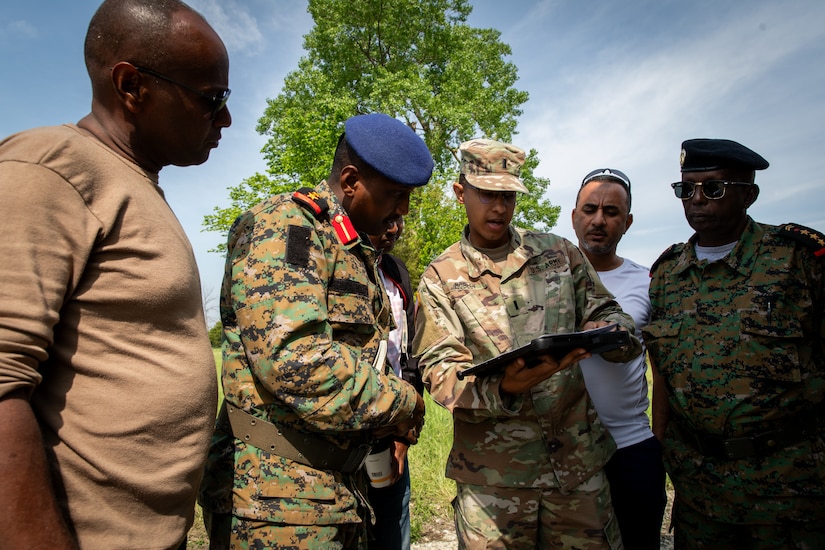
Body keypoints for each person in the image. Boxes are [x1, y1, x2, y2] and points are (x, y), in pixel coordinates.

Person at [0, 0, 230, 547]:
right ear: (131, 86)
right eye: (211, 98)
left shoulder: (132, 183)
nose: (225, 119)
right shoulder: (49, 169)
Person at [199, 113, 431, 549]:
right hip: (274, 504)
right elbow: (295, 360)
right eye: (395, 195)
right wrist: (403, 403)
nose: (402, 210)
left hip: (333, 494)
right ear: (349, 181)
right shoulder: (286, 227)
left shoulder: (348, 245)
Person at [413, 138, 642, 549]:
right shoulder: (439, 278)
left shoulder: (558, 253)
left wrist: (611, 335)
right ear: (461, 192)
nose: (499, 208)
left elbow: (609, 312)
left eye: (508, 196)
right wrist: (504, 387)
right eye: (487, 194)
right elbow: (440, 371)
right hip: (493, 486)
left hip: (577, 472)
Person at [643, 138, 825, 548]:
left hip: (788, 492)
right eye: (685, 189)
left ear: (749, 195)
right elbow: (665, 376)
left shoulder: (797, 260)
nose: (696, 199)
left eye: (713, 188)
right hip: (699, 494)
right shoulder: (668, 275)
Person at [572, 168, 667, 549]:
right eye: (590, 209)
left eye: (611, 212)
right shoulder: (542, 281)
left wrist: (657, 442)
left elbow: (662, 373)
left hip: (631, 447)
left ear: (627, 222)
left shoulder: (649, 283)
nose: (599, 220)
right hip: (567, 452)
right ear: (574, 216)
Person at [367, 217, 423, 549]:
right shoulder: (332, 263)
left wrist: (404, 433)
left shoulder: (396, 271)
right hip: (346, 434)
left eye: (399, 220)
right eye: (385, 219)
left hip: (393, 431)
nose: (394, 228)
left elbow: (410, 353)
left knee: (393, 520)